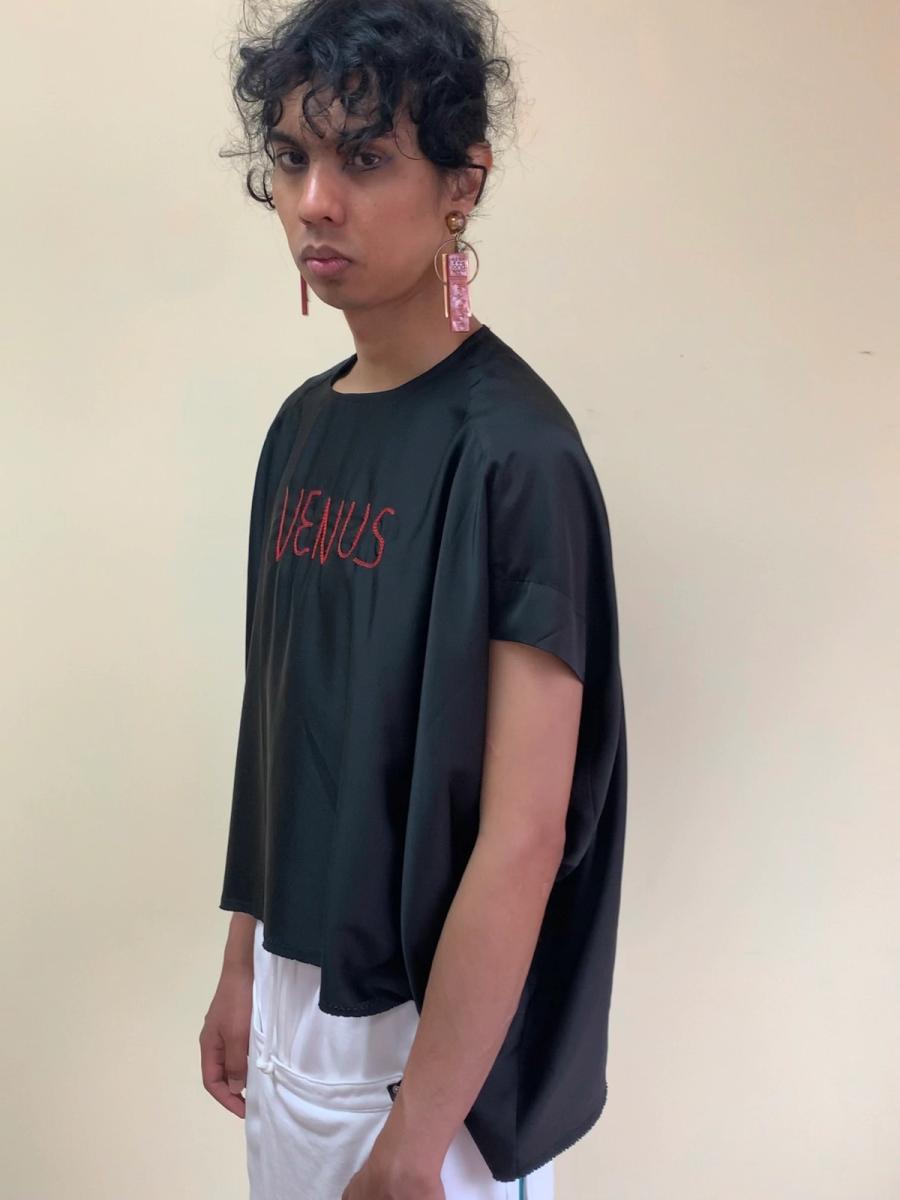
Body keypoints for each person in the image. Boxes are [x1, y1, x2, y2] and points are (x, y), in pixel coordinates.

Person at [199, 2, 628, 1198]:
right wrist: (242, 963)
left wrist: (418, 1138)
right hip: (292, 1006)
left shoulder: (516, 456)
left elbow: (527, 831)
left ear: (461, 183)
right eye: (292, 156)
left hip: (433, 1061)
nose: (314, 202)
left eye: (364, 157)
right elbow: (282, 729)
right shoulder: (300, 429)